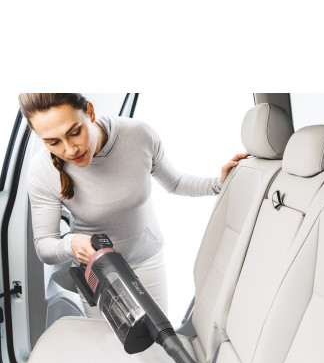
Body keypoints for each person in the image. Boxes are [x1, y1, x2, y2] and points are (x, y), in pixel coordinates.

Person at [19, 93, 248, 316]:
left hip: (147, 259)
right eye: (53, 142)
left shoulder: (138, 135)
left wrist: (219, 184)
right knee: (106, 340)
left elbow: (176, 183)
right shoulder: (42, 171)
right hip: (97, 270)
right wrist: (72, 243)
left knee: (158, 338)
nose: (70, 150)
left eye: (75, 132)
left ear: (90, 112)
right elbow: (45, 246)